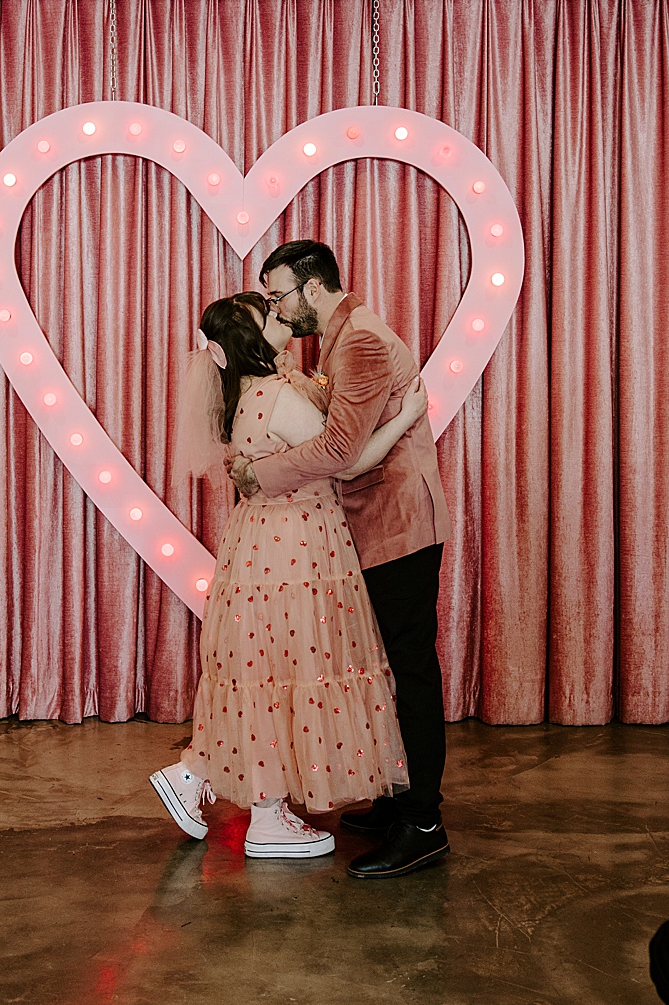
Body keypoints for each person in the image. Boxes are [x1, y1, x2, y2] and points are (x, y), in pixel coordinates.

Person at [150, 292, 429, 860]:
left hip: (257, 547)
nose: (283, 320)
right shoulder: (276, 396)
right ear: (253, 343)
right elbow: (345, 459)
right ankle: (263, 815)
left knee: (263, 670)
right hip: (297, 547)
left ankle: (203, 778)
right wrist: (404, 417)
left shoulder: (244, 396)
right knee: (293, 670)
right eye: (271, 318)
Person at [229, 242, 452, 880]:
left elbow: (340, 449)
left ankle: (425, 822)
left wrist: (258, 472)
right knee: (383, 663)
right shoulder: (339, 337)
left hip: (397, 526)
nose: (273, 306)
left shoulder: (359, 342)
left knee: (409, 667)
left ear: (313, 286)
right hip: (370, 526)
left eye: (278, 295)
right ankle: (398, 797)